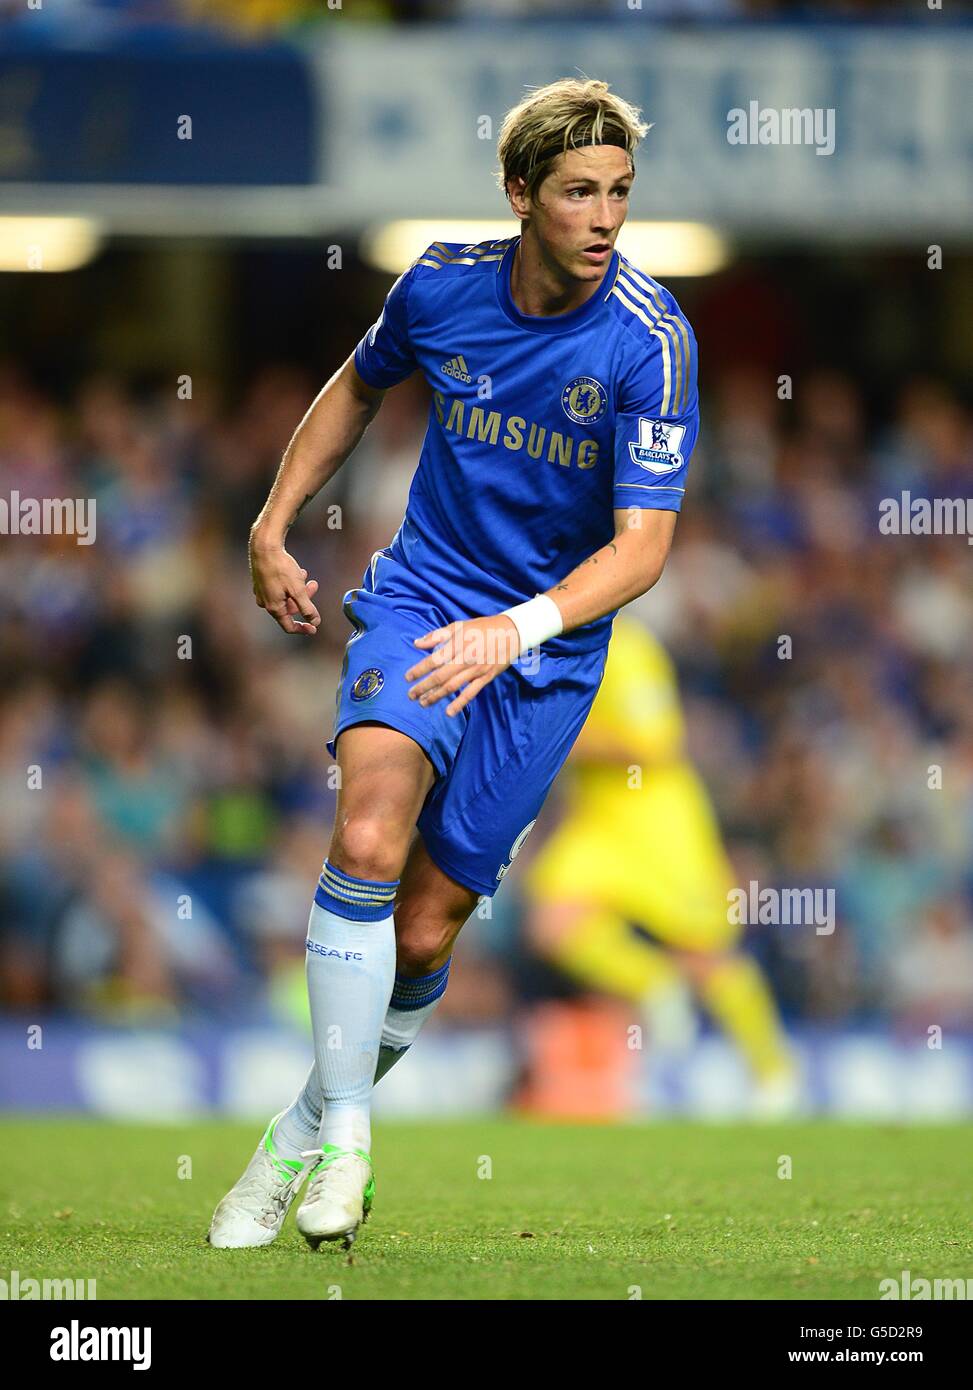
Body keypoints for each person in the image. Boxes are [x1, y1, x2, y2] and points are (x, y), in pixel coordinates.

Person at [208, 76, 700, 1251]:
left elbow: (644, 549)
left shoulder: (650, 340)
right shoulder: (438, 286)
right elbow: (356, 388)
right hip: (423, 604)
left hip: (544, 654)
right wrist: (273, 522)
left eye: (620, 192)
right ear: (520, 193)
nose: (604, 217)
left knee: (424, 933)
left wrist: (518, 629)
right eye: (578, 192)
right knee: (368, 831)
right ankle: (352, 1148)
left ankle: (300, 1128)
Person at [524, 614, 798, 1114]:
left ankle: (774, 1075)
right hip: (598, 822)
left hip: (657, 818)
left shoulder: (628, 648)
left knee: (705, 952)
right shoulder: (551, 650)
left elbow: (654, 742)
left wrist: (557, 736)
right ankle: (654, 984)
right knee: (552, 923)